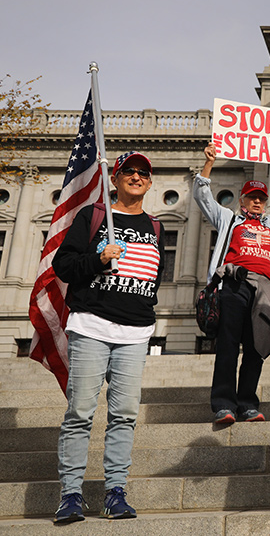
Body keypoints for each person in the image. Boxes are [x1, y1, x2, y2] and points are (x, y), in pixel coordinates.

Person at [52, 151, 166, 523]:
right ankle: (70, 493)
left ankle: (115, 491)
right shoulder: (94, 216)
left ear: (149, 183)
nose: (136, 176)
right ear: (114, 179)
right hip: (91, 326)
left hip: (135, 331)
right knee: (81, 412)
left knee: (124, 414)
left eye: (143, 173)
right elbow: (64, 266)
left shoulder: (156, 226)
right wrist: (98, 259)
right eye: (129, 171)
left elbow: (155, 276)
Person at [196, 144, 270, 424]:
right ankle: (224, 405)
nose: (257, 202)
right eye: (252, 197)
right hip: (235, 284)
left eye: (261, 198)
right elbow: (202, 196)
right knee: (228, 345)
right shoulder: (229, 219)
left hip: (266, 288)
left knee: (256, 347)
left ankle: (248, 404)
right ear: (242, 200)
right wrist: (209, 164)